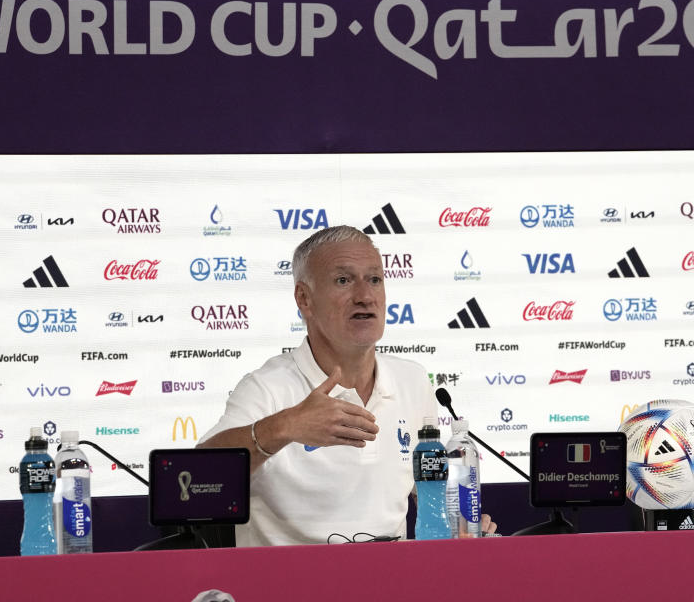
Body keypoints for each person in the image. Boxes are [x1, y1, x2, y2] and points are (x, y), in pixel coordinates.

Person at [198, 225, 495, 545]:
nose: (365, 296)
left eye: (374, 280)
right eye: (343, 280)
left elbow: (425, 494)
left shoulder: (413, 381)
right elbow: (198, 481)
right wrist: (285, 426)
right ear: (304, 299)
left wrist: (455, 524)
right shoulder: (268, 388)